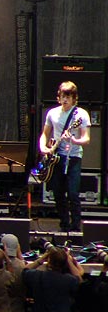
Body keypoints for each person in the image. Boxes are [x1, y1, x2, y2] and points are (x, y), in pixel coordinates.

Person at [38, 81, 90, 232]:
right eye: (63, 96)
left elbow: (86, 139)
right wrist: (43, 147)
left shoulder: (81, 114)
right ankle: (64, 224)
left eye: (68, 97)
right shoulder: (52, 113)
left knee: (73, 193)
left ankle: (76, 226)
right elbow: (45, 134)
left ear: (74, 98)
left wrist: (74, 140)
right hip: (56, 157)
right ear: (58, 97)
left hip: (73, 157)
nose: (65, 99)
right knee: (58, 193)